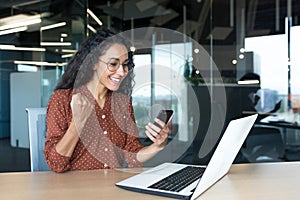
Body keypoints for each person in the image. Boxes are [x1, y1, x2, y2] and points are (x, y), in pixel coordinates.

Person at [44, 28, 171, 173]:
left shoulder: (122, 103)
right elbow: (55, 164)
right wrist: (77, 124)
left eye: (125, 64)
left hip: (112, 187)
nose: (122, 72)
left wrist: (157, 146)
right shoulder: (63, 100)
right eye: (113, 64)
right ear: (93, 63)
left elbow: (132, 155)